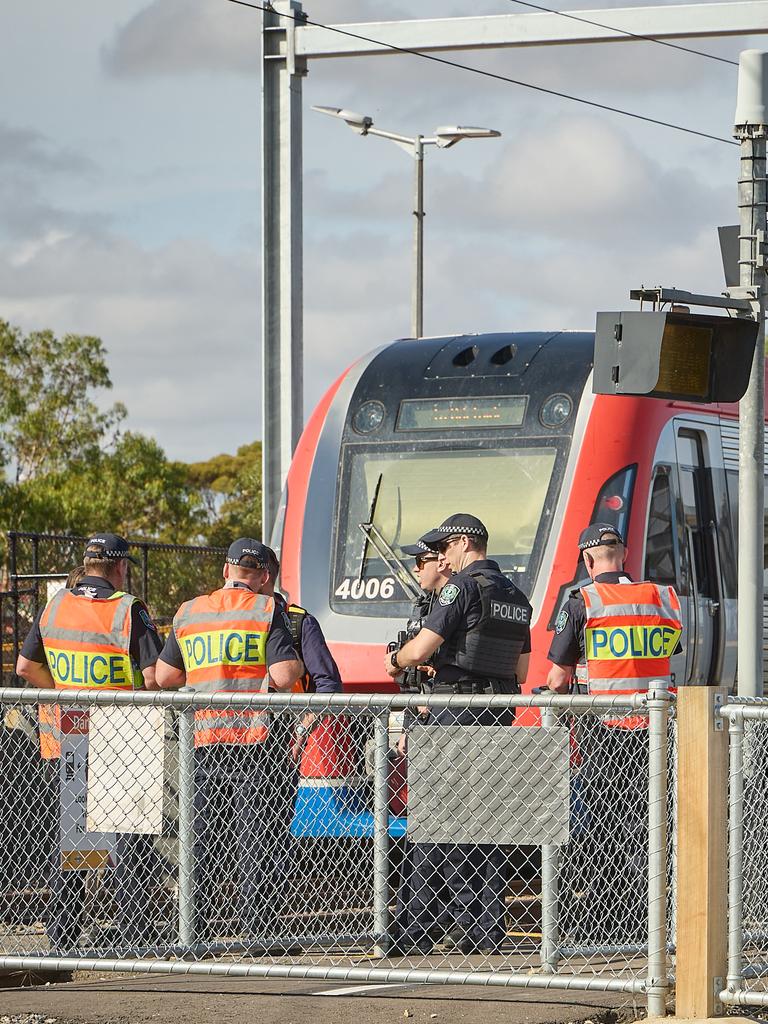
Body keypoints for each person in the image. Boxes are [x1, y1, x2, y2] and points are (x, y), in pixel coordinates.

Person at [384, 514, 532, 956]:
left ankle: (419, 925)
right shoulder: (515, 595)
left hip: (455, 711)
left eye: (446, 547)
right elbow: (522, 670)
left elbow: (422, 648)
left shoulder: (461, 587)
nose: (443, 557)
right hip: (499, 711)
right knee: (483, 821)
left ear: (465, 543)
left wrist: (397, 660)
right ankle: (482, 928)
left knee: (434, 821)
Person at [15, 532, 164, 953]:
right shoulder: (127, 609)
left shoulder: (56, 605)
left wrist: (62, 691)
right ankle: (135, 935)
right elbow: (153, 677)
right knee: (127, 839)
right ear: (119, 567)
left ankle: (62, 937)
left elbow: (26, 666)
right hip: (120, 739)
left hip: (65, 738)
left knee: (75, 840)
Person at [155, 538, 304, 947]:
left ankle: (196, 929)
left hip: (204, 738)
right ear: (263, 577)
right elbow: (286, 675)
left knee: (203, 836)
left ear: (226, 571)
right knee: (257, 837)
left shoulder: (190, 611)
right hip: (255, 739)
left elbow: (165, 677)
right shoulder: (265, 608)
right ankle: (259, 931)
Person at [545, 522, 682, 944]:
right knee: (650, 822)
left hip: (603, 729)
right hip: (657, 730)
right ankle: (649, 915)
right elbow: (668, 652)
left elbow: (555, 679)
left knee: (604, 824)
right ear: (624, 555)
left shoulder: (583, 600)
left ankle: (605, 916)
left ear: (588, 560)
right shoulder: (661, 598)